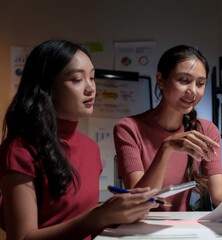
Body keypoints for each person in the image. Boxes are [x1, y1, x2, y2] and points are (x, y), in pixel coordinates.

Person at [0, 40, 159, 240]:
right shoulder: (19, 148)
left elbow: (81, 224)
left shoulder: (90, 148)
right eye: (77, 79)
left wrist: (120, 214)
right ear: (47, 87)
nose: (91, 88)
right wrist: (99, 216)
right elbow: (22, 237)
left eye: (92, 77)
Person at [114, 45, 222, 219]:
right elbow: (138, 203)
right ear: (161, 80)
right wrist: (166, 149)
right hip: (139, 228)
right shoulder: (128, 128)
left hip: (184, 228)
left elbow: (219, 197)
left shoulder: (206, 130)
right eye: (184, 80)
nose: (193, 91)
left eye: (200, 83)